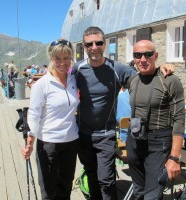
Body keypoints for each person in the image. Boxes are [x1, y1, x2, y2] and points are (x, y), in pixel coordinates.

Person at [72, 26, 175, 200]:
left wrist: (162, 66)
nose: (94, 47)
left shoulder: (116, 69)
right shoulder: (77, 69)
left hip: (106, 134)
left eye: (98, 43)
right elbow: (58, 77)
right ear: (84, 46)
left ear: (104, 44)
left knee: (107, 180)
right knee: (91, 176)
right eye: (89, 44)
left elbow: (145, 76)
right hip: (83, 134)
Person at [126, 40, 185, 200]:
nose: (143, 59)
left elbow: (179, 118)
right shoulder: (133, 80)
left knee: (152, 196)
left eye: (148, 54)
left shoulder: (169, 80)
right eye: (138, 55)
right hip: (135, 140)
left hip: (159, 143)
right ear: (134, 58)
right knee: (138, 192)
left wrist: (174, 157)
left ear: (156, 55)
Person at [21, 39, 79, 200]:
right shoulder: (42, 85)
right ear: (50, 59)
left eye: (66, 58)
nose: (62, 63)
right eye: (57, 58)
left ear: (71, 58)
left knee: (66, 187)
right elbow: (33, 114)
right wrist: (30, 142)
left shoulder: (74, 80)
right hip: (48, 143)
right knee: (48, 190)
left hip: (71, 141)